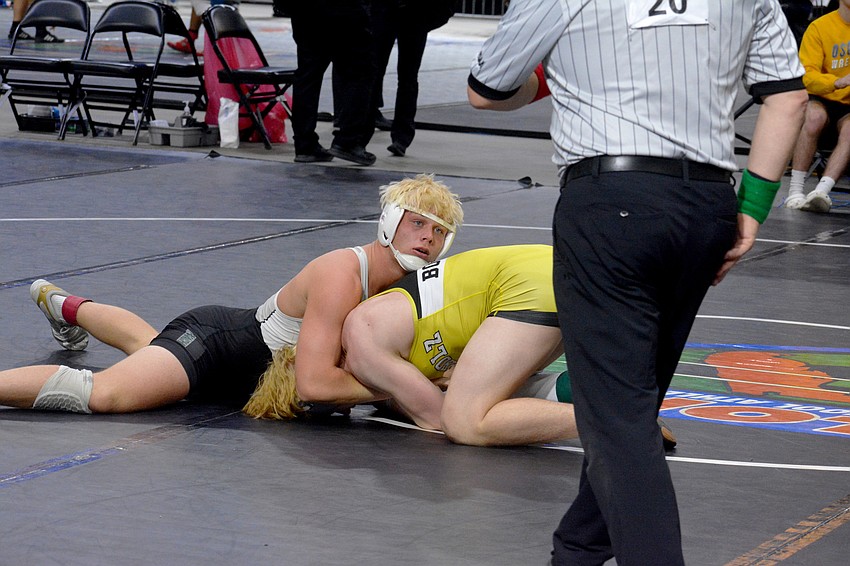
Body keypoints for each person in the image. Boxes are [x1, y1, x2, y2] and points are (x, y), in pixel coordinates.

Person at [466, 2, 807, 564]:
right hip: (706, 207)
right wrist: (752, 207)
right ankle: (576, 552)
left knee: (618, 419)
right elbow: (788, 98)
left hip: (611, 204)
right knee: (629, 406)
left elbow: (486, 89)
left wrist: (559, 71)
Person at [0, 176, 463, 417]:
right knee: (108, 394)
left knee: (146, 345)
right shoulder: (342, 273)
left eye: (439, 231)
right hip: (213, 347)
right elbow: (315, 385)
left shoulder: (413, 289)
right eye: (417, 223)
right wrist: (410, 385)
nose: (427, 238)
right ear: (389, 223)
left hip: (236, 378)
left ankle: (64, 306)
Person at [286, 0, 378, 166]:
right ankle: (348, 140)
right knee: (360, 72)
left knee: (308, 75)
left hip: (305, 10)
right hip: (343, 10)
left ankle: (304, 144)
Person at [786, 0, 850, 213]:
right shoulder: (819, 27)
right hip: (823, 97)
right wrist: (836, 82)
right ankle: (795, 191)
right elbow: (806, 75)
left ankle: (821, 191)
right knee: (814, 117)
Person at [369, 0, 455, 157]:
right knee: (397, 76)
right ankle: (399, 137)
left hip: (408, 13)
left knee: (392, 75)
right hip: (404, 12)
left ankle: (396, 137)